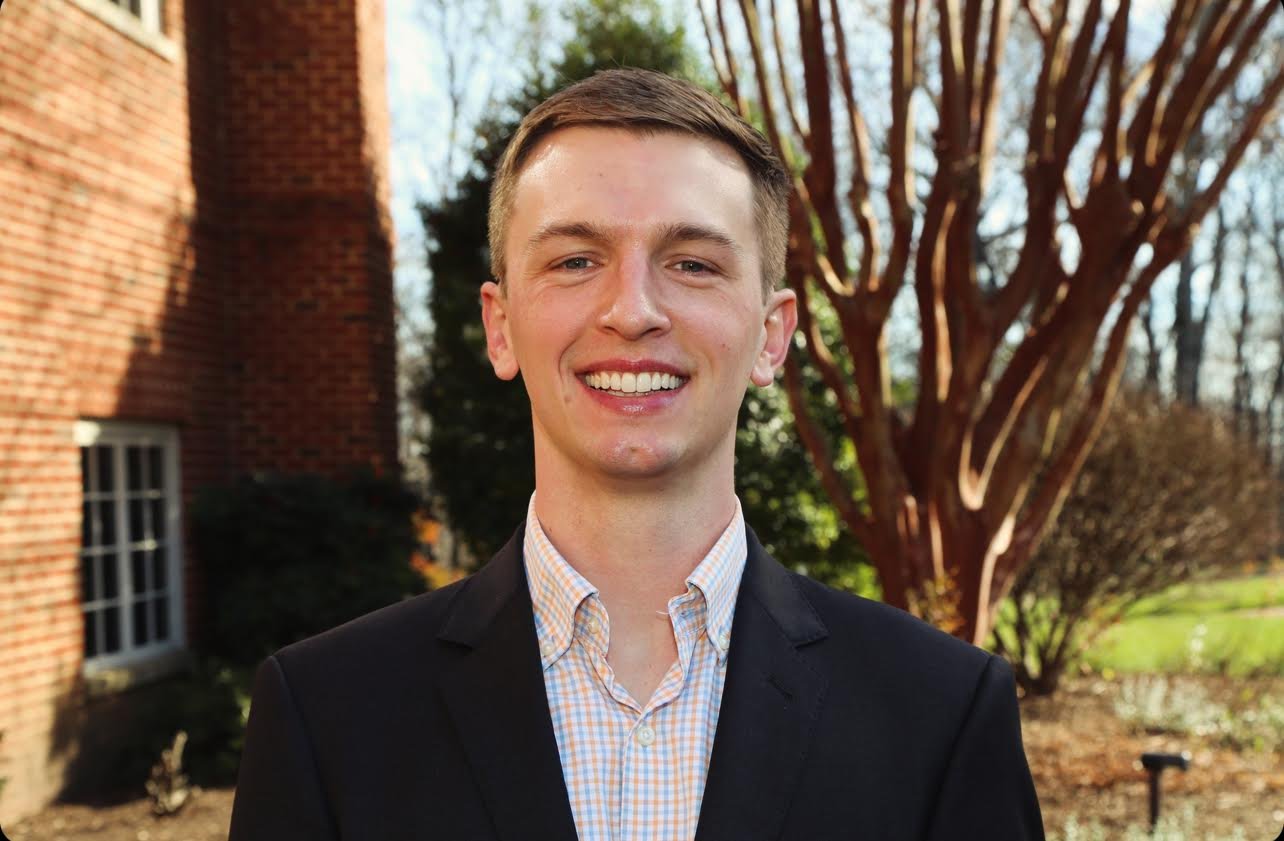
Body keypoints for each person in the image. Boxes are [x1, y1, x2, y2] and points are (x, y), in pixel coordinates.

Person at [228, 68, 1045, 840]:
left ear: (772, 334)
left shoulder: (940, 711)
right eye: (575, 260)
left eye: (691, 263)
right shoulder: (327, 716)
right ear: (501, 324)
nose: (632, 309)